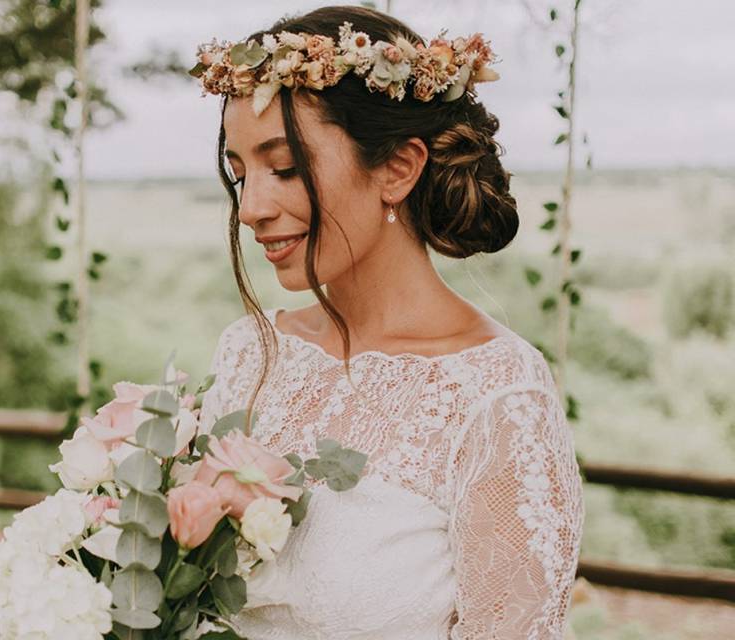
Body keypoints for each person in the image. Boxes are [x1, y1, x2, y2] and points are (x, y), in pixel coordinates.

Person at [194, 5, 584, 639]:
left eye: (285, 168)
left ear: (398, 168)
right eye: (240, 174)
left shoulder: (495, 395)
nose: (251, 209)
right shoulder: (248, 353)